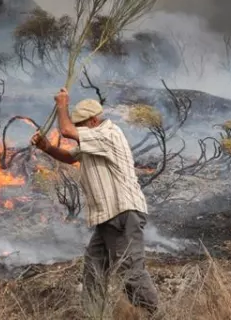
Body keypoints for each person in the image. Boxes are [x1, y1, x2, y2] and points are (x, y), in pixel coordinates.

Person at [31, 88, 159, 314]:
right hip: (108, 216)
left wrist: (62, 104)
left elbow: (66, 129)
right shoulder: (94, 140)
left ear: (94, 120)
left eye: (82, 124)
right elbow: (70, 158)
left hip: (122, 213)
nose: (78, 130)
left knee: (131, 271)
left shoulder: (108, 134)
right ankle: (94, 315)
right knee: (94, 267)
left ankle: (155, 313)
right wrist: (47, 148)